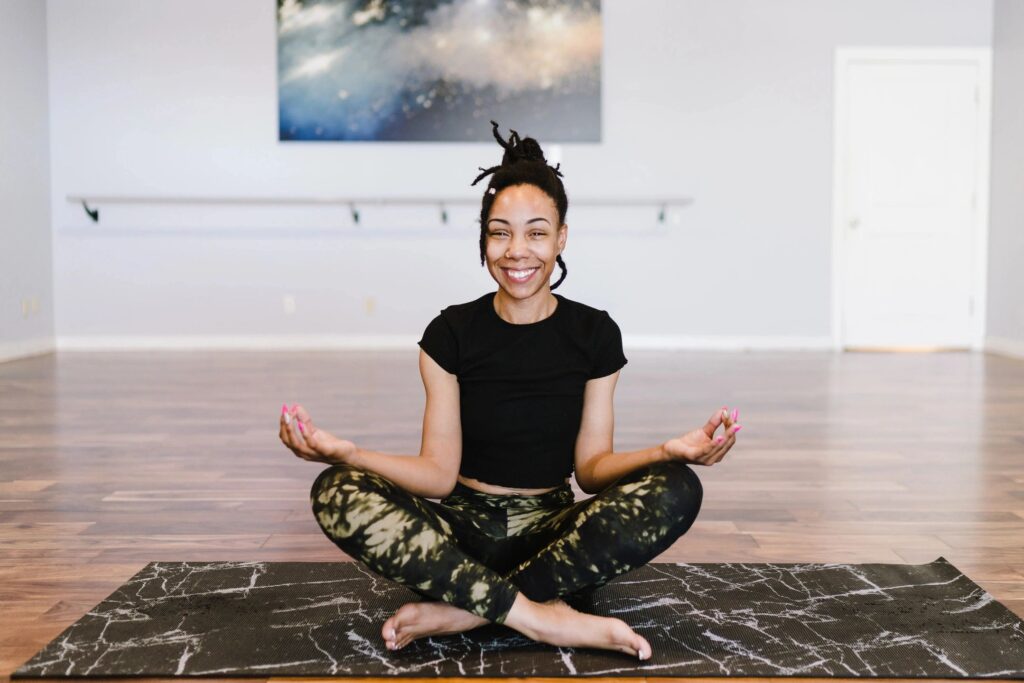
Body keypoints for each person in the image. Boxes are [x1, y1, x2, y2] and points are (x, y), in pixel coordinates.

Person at [278, 121, 742, 661]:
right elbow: (436, 474)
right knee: (336, 490)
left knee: (678, 487)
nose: (517, 251)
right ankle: (544, 619)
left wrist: (669, 452)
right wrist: (347, 453)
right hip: (460, 534)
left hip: (553, 537)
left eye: (536, 232)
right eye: (500, 232)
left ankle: (464, 610)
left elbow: (590, 470)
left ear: (561, 238)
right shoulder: (448, 334)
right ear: (483, 238)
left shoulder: (595, 335)